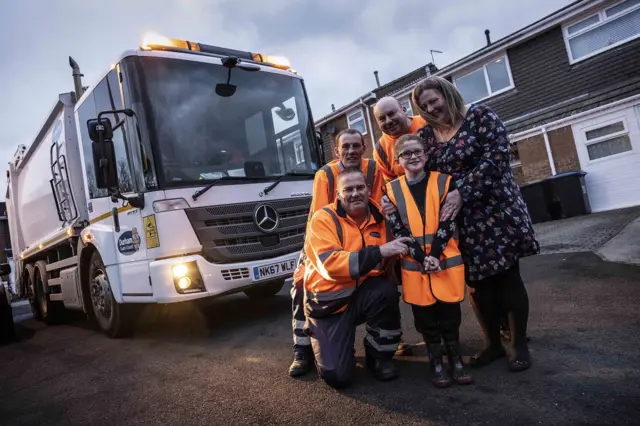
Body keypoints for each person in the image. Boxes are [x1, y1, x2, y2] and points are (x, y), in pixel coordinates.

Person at [411, 76, 539, 371]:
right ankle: (493, 344)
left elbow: (497, 158)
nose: (432, 107)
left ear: (447, 94)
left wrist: (462, 192)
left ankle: (518, 345)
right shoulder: (427, 137)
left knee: (507, 277)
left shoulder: (480, 116)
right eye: (425, 105)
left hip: (497, 209)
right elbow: (424, 174)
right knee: (477, 284)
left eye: (435, 100)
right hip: (461, 220)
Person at [303, 169, 411, 389]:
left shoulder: (383, 217)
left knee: (386, 291)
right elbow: (331, 265)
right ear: (338, 194)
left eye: (359, 188)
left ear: (368, 190)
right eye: (348, 189)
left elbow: (406, 239)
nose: (355, 193)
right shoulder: (323, 219)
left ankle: (378, 356)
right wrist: (379, 252)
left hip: (362, 295)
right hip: (329, 305)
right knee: (337, 377)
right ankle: (329, 340)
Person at [288, 129, 384, 377]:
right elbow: (320, 217)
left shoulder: (373, 169)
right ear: (337, 150)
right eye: (346, 147)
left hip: (361, 236)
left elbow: (377, 204)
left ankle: (379, 346)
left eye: (355, 146)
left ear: (364, 146)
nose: (351, 151)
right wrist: (311, 262)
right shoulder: (326, 175)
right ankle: (302, 350)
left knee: (383, 284)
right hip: (326, 238)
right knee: (301, 285)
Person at [381, 134, 474, 387]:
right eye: (406, 154)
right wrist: (423, 258)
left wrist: (432, 256)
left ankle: (455, 359)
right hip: (415, 266)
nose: (413, 157)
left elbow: (448, 222)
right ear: (398, 160)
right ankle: (435, 360)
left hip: (444, 261)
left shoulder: (445, 183)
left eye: (417, 151)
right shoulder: (389, 190)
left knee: (450, 316)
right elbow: (399, 230)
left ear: (426, 153)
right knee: (425, 318)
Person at [372, 96, 426, 183]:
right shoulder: (381, 150)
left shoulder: (426, 122)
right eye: (382, 119)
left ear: (404, 110)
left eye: (391, 114)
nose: (388, 121)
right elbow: (394, 184)